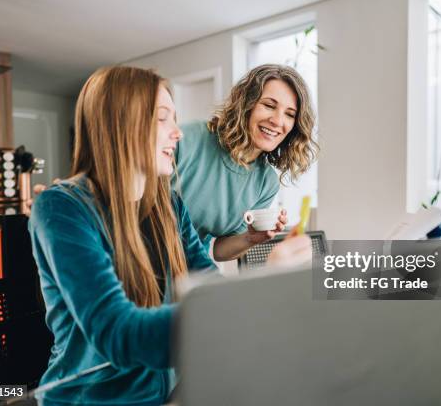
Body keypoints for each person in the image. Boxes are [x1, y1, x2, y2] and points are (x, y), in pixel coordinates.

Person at [28, 66, 311, 405]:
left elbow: (206, 288)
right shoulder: (62, 208)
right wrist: (257, 301)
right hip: (91, 398)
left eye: (174, 119)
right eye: (163, 119)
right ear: (121, 123)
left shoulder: (170, 206)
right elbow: (119, 333)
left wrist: (268, 280)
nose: (178, 133)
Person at [175, 64, 318, 261]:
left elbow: (219, 251)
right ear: (246, 104)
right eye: (269, 105)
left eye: (289, 114)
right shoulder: (187, 139)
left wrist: (251, 238)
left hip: (187, 268)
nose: (277, 121)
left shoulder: (266, 183)